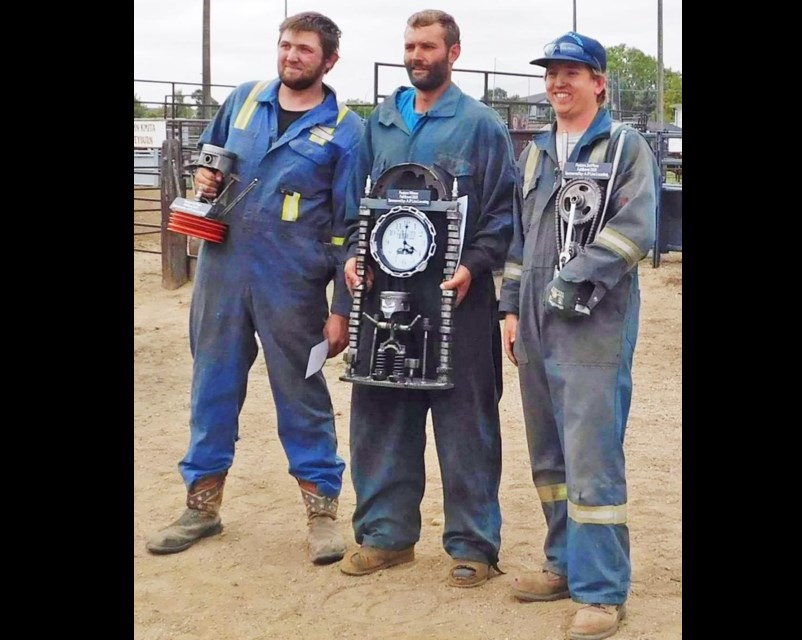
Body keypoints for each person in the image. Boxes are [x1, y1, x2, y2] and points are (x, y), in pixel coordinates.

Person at [145, 12, 365, 566]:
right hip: (223, 273)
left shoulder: (346, 130)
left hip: (293, 285)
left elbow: (351, 230)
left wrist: (341, 310)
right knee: (211, 386)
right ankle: (201, 507)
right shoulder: (244, 99)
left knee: (304, 393)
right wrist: (203, 176)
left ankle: (320, 514)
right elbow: (207, 152)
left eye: (305, 50)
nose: (291, 56)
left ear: (329, 61)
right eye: (286, 45)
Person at [338, 9, 517, 588]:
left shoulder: (480, 125)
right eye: (409, 46)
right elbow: (355, 205)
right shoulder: (380, 124)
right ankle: (386, 536)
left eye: (428, 47)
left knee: (466, 423)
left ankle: (473, 546)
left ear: (453, 53)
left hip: (457, 302)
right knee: (380, 414)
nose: (416, 56)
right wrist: (352, 255)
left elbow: (501, 214)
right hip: (384, 298)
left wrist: (472, 267)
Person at [499, 31, 659, 639]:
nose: (558, 82)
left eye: (572, 72)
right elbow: (518, 239)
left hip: (594, 320)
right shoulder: (537, 153)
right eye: (551, 73)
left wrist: (579, 276)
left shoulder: (624, 147)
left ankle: (601, 592)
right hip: (536, 320)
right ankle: (562, 564)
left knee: (591, 455)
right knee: (550, 455)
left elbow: (635, 227)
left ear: (599, 83)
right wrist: (510, 308)